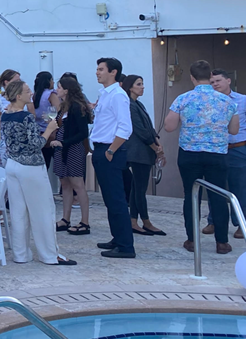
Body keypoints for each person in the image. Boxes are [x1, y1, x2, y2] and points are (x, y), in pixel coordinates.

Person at [165, 59, 239, 255]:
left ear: (192, 77)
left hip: (189, 153)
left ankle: (191, 239)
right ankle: (222, 242)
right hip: (217, 153)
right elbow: (234, 129)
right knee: (219, 196)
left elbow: (169, 127)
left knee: (191, 195)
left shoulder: (183, 99)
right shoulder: (227, 101)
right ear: (210, 77)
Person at [0, 81, 76, 266]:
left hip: (12, 165)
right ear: (18, 96)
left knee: (18, 212)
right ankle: (50, 255)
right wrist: (50, 129)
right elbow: (35, 145)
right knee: (43, 211)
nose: (31, 93)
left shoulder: (5, 116)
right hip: (30, 168)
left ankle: (20, 254)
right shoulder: (25, 117)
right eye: (27, 91)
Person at [91, 57, 136, 259]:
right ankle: (118, 237)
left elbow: (125, 127)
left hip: (110, 151)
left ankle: (126, 245)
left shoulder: (118, 95)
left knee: (116, 199)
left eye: (101, 69)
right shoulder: (106, 94)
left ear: (113, 72)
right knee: (110, 198)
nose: (97, 72)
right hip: (102, 149)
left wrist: (111, 151)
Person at [123, 74, 166, 237]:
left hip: (145, 149)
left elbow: (149, 127)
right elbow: (140, 131)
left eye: (143, 83)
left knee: (138, 187)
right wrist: (156, 148)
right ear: (130, 87)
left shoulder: (138, 104)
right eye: (139, 84)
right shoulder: (130, 105)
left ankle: (137, 219)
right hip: (138, 151)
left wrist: (157, 142)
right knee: (139, 188)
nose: (142, 87)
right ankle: (142, 221)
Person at [209, 68, 246, 240]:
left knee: (240, 187)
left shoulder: (244, 100)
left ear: (228, 81)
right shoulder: (209, 101)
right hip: (216, 149)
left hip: (237, 148)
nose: (215, 84)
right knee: (214, 187)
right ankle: (213, 221)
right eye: (212, 82)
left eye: (218, 80)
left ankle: (241, 223)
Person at [53, 75, 93, 235]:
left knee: (78, 184)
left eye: (60, 87)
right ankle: (65, 218)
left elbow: (82, 132)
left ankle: (85, 221)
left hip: (73, 149)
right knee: (65, 184)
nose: (57, 90)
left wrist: (64, 142)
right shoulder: (64, 107)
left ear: (67, 90)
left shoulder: (77, 107)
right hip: (61, 149)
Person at [0, 69, 23, 167]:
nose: (19, 84)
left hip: (23, 141)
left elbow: (32, 116)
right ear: (6, 82)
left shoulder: (23, 97)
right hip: (6, 143)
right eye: (16, 81)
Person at [32, 72, 60, 168]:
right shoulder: (51, 94)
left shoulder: (35, 95)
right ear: (49, 81)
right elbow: (58, 109)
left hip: (39, 132)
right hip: (51, 131)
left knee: (44, 164)